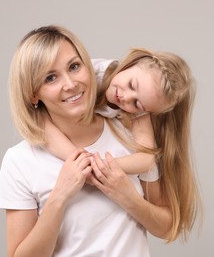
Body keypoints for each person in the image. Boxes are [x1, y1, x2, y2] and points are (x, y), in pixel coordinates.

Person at [0, 25, 176, 257]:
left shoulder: (131, 134)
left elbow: (167, 228)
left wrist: (127, 197)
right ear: (33, 94)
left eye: (74, 66)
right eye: (50, 78)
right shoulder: (19, 160)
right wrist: (59, 196)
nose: (70, 84)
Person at [45, 47, 202, 242]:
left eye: (137, 104)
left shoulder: (136, 115)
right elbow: (41, 123)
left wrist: (103, 168)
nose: (126, 97)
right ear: (132, 63)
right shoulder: (90, 73)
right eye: (131, 84)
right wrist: (82, 162)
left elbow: (147, 158)